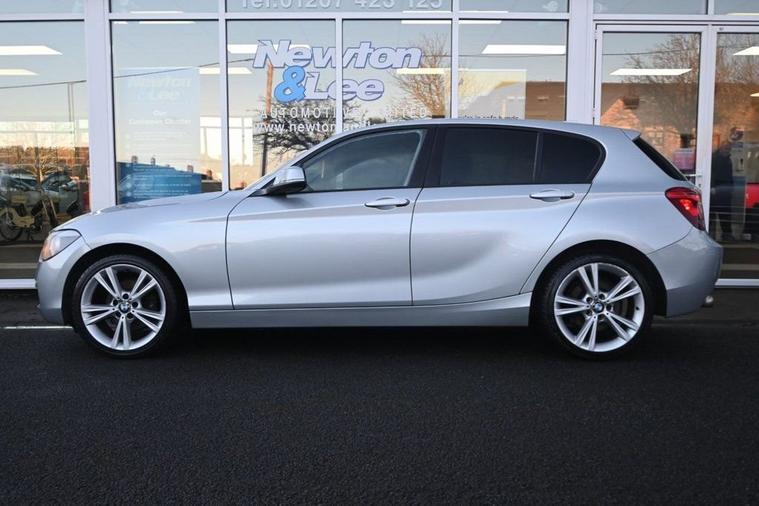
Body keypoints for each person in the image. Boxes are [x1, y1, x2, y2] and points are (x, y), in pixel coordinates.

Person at [711, 141, 735, 241]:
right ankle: (714, 234)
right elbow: (711, 173)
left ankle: (726, 234)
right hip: (717, 189)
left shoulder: (727, 158)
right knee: (714, 213)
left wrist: (731, 188)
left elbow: (729, 175)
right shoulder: (714, 158)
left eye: (729, 149)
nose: (728, 151)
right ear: (721, 148)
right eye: (726, 148)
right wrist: (712, 186)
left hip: (725, 189)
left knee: (725, 213)